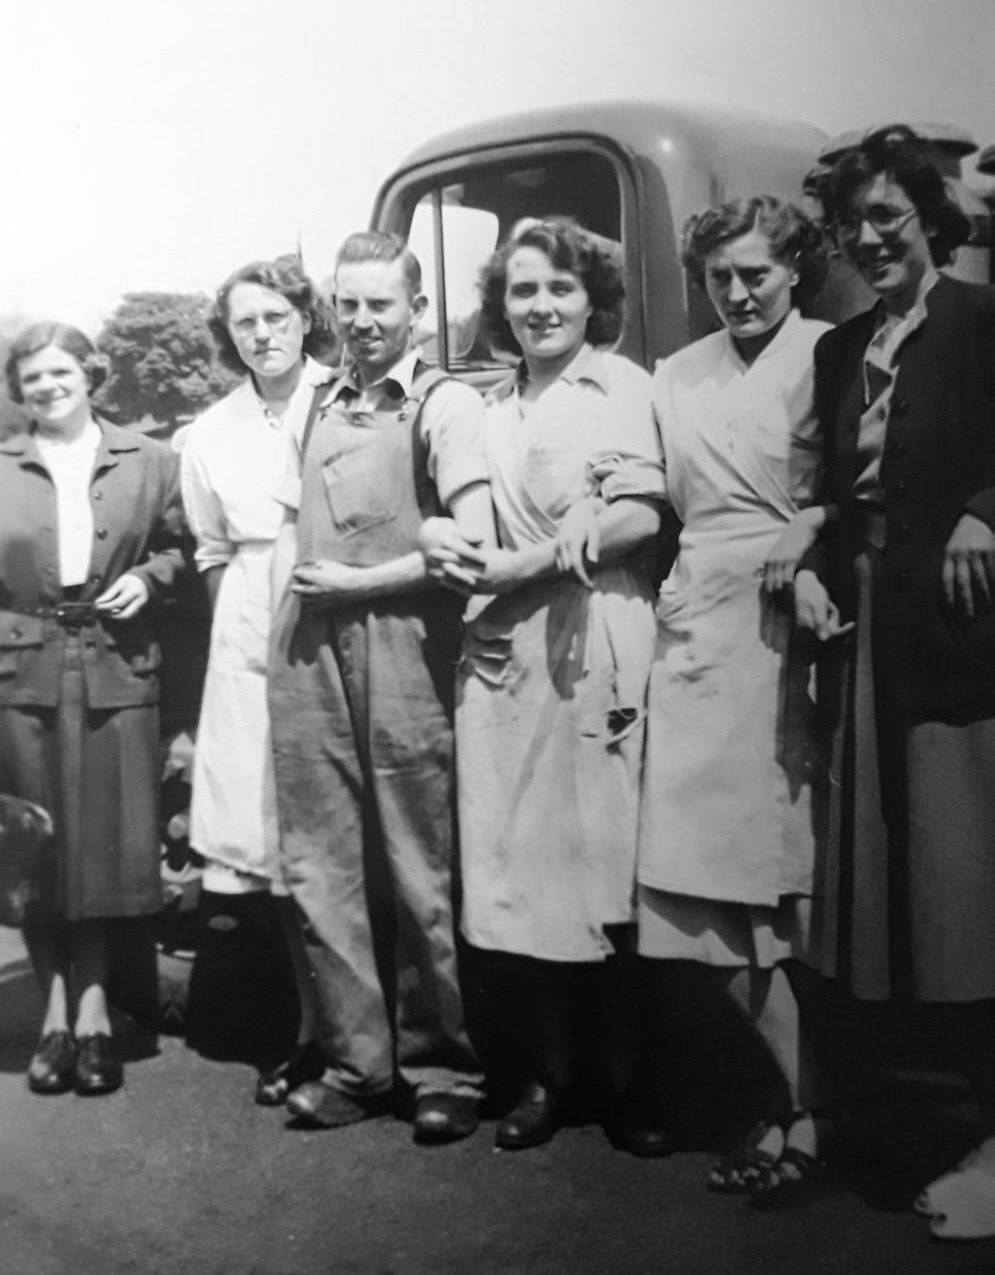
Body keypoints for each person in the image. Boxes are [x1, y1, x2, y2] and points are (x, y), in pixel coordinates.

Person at [594, 198, 835, 1196]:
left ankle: (801, 1113)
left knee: (780, 894)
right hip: (696, 627)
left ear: (793, 272)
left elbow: (869, 480)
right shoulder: (671, 376)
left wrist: (808, 523)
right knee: (701, 895)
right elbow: (643, 495)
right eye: (718, 278)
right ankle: (794, 1102)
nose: (736, 294)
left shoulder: (831, 352)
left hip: (796, 628)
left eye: (755, 275)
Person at [421, 218, 664, 1151]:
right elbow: (454, 526)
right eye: (522, 291)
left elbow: (640, 514)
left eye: (559, 289)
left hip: (596, 637)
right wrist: (448, 544)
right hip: (504, 661)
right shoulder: (488, 405)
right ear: (500, 306)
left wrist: (522, 564)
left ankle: (630, 1084)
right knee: (526, 871)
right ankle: (552, 1079)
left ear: (589, 298)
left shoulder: (622, 386)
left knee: (608, 863)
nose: (540, 307)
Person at [795, 126, 995, 1241]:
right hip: (868, 636)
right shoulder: (839, 352)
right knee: (902, 898)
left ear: (928, 215)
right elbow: (838, 489)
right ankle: (937, 1122)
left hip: (960, 646)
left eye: (886, 216)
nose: (868, 239)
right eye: (851, 224)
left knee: (969, 894)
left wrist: (982, 511)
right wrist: (817, 565)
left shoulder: (980, 324)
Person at [267, 231, 493, 1144]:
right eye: (348, 305)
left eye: (380, 305)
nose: (362, 322)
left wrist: (360, 585)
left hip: (405, 645)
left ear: (417, 311)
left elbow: (469, 546)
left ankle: (443, 1066)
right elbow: (277, 524)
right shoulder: (316, 400)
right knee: (323, 859)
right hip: (308, 649)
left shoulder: (444, 405)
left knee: (416, 861)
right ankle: (358, 1063)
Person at [0, 322, 185, 1095]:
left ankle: (97, 1014)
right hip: (23, 669)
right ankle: (50, 1014)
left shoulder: (151, 458)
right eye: (31, 377)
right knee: (37, 847)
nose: (47, 386)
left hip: (117, 663)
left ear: (92, 373)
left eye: (60, 371)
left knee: (106, 847)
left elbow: (185, 550)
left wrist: (151, 577)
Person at [180, 256, 334, 1105]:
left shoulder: (345, 399)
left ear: (305, 318)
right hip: (248, 624)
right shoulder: (208, 432)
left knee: (340, 827)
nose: (263, 333)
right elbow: (209, 550)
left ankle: (362, 1027)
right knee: (271, 835)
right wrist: (244, 629)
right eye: (246, 322)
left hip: (336, 609)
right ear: (228, 336)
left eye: (276, 316)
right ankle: (305, 1028)